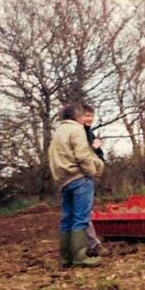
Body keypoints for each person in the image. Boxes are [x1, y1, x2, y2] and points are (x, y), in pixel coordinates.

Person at [48, 103, 105, 268]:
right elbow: (82, 155)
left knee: (67, 219)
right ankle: (80, 256)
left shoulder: (58, 133)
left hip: (64, 181)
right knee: (81, 218)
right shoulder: (76, 130)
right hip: (80, 179)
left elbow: (52, 157)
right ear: (77, 116)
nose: (84, 118)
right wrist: (92, 171)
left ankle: (65, 258)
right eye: (83, 115)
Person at [80, 104, 107, 256]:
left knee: (82, 211)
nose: (89, 118)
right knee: (83, 211)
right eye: (86, 115)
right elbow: (85, 154)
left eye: (91, 115)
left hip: (89, 172)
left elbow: (96, 151)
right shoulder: (81, 134)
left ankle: (83, 245)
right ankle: (91, 245)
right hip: (84, 174)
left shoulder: (90, 133)